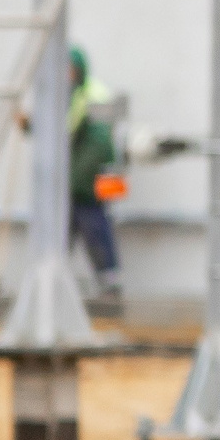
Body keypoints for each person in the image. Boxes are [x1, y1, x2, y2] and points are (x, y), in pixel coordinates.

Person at [67, 47, 124, 299]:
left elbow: (97, 142)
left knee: (93, 223)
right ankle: (59, 276)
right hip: (80, 177)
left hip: (89, 178)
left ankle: (109, 279)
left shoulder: (90, 94)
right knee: (70, 225)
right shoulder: (75, 93)